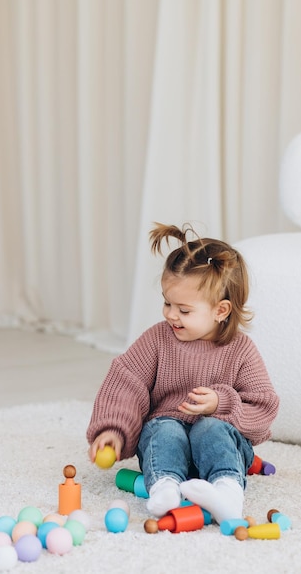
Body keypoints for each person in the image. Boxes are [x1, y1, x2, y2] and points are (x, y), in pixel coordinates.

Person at [87, 222, 279, 524]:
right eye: (167, 302)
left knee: (210, 429)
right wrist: (113, 429)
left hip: (220, 445)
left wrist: (221, 405)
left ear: (221, 310)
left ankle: (227, 492)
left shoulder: (241, 350)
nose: (170, 314)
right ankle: (165, 486)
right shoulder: (157, 340)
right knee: (164, 428)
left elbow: (263, 408)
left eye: (184, 310)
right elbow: (127, 382)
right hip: (168, 441)